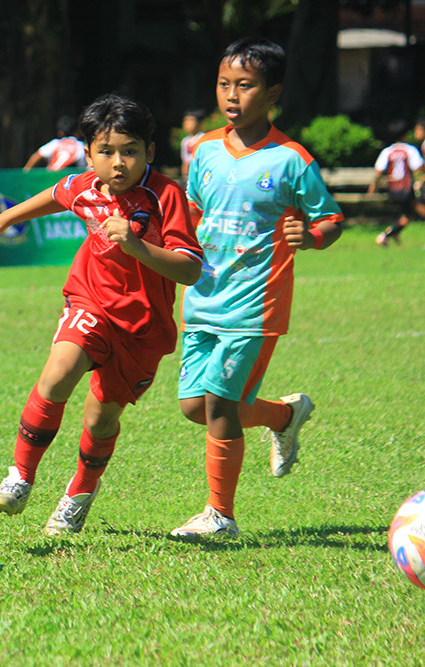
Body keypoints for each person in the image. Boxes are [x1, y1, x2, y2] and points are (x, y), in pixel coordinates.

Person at [0, 94, 203, 536]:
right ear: (89, 153)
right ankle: (20, 476)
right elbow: (55, 195)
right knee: (57, 374)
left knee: (101, 418)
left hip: (143, 329)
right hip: (90, 301)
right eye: (106, 152)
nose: (118, 163)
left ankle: (78, 494)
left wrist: (137, 246)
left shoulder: (165, 195)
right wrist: (1, 220)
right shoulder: (86, 186)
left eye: (130, 151)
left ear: (149, 152)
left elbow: (191, 269)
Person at [171, 36, 344, 539]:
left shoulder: (291, 159)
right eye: (224, 84)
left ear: (272, 94)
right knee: (194, 408)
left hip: (254, 306)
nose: (231, 94)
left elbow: (332, 219)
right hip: (202, 299)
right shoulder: (203, 150)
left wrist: (311, 237)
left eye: (244, 85)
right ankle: (286, 415)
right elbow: (194, 215)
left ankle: (219, 515)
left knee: (221, 404)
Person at [368, 120, 425, 247]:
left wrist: (373, 187)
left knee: (408, 215)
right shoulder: (410, 149)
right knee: (418, 210)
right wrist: (419, 181)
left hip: (393, 188)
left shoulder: (387, 151)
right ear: (405, 136)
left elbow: (378, 171)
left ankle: (391, 234)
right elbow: (418, 168)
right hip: (406, 187)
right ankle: (385, 235)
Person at [179, 109, 207, 180]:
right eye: (185, 121)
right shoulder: (185, 141)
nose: (187, 124)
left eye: (191, 121)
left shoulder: (203, 139)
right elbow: (184, 160)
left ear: (199, 123)